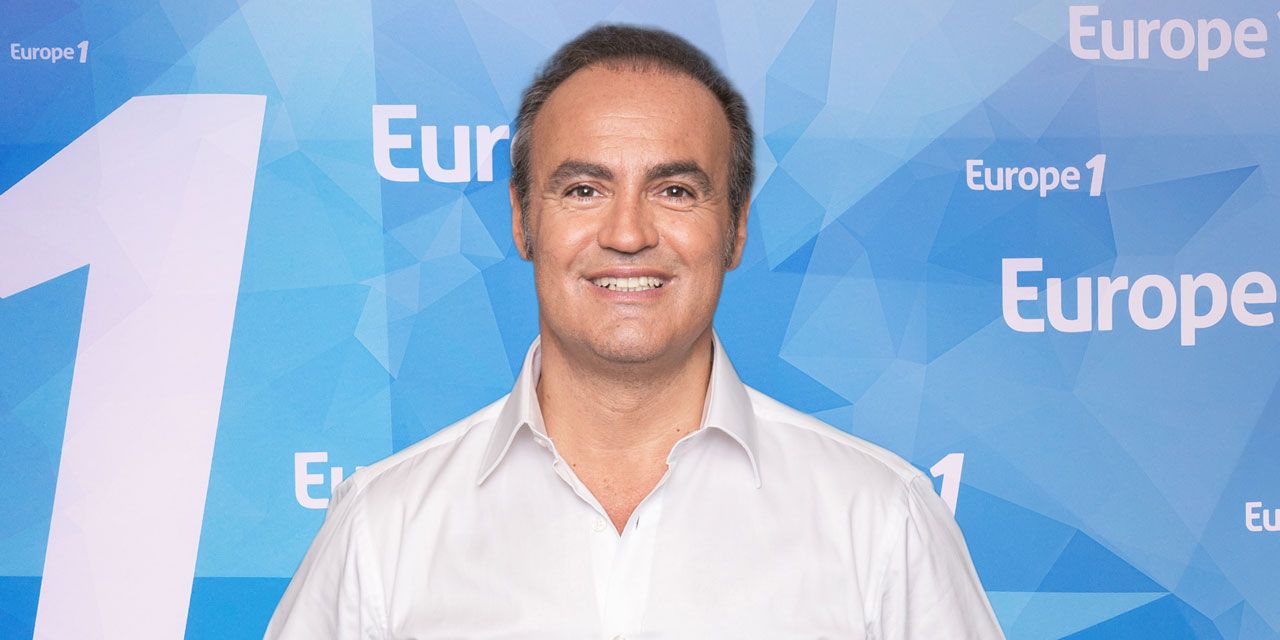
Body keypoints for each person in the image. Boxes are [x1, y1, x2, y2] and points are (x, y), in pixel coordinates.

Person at [266, 24, 1004, 639]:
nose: (627, 234)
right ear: (523, 221)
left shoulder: (883, 521)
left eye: (675, 191)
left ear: (736, 229)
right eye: (583, 189)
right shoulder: (381, 529)